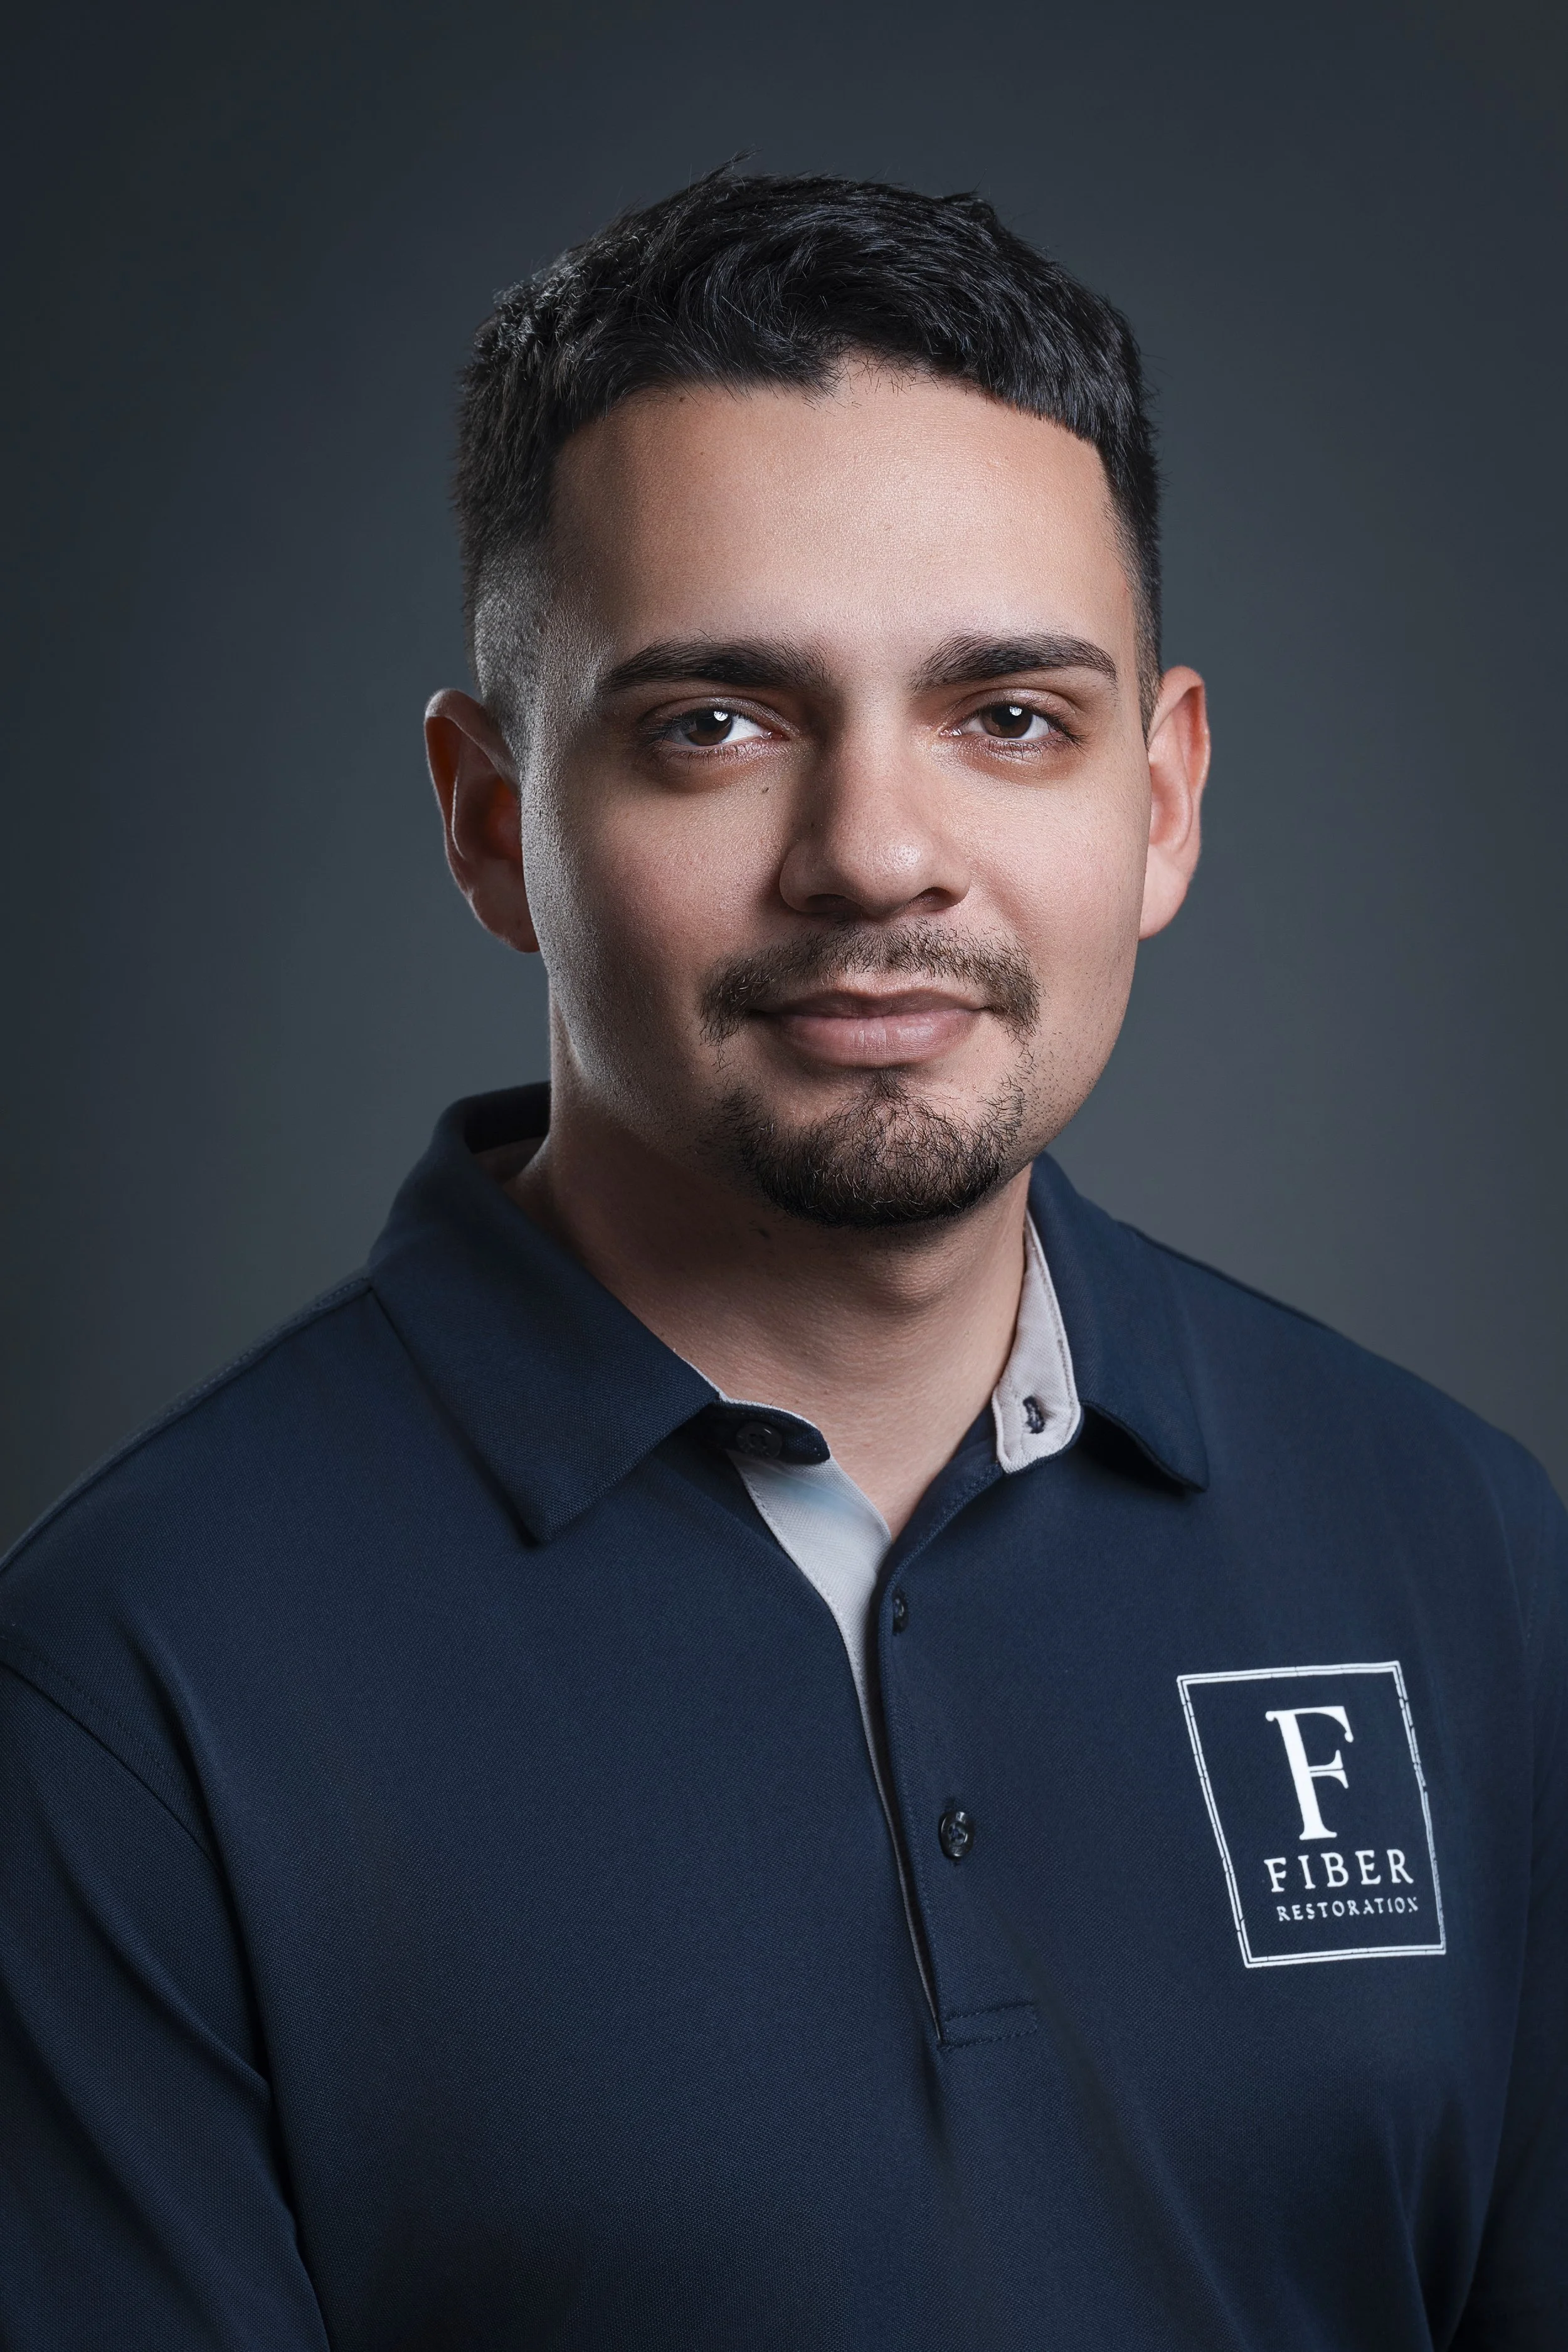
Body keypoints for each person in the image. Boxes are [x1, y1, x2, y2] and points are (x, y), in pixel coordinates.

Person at [0, 167, 1562, 2352]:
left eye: (1009, 714)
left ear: (1165, 799)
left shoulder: (1460, 1548)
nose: (876, 855)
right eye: (713, 723)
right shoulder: (122, 1695)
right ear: (487, 821)